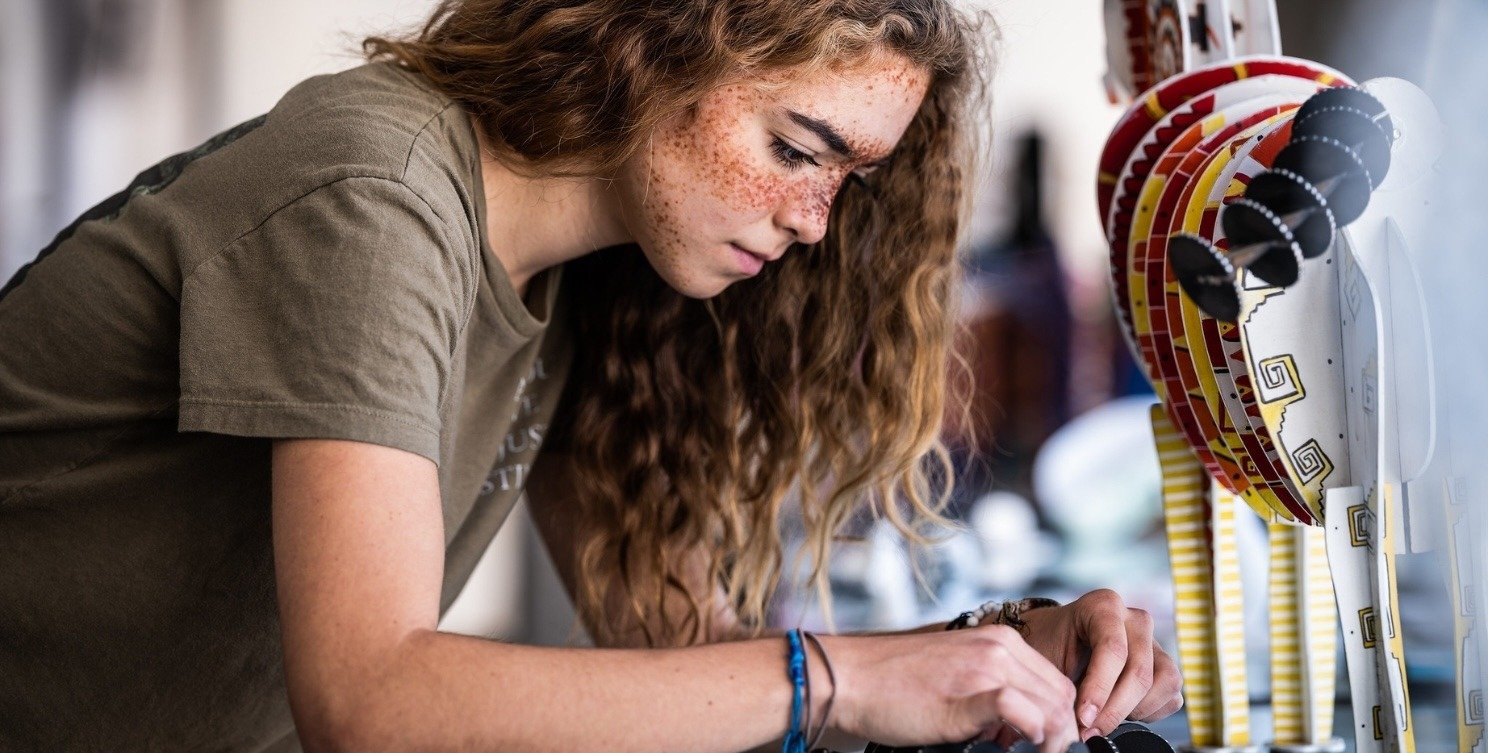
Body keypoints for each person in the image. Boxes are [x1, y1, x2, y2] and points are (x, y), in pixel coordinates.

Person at [0, 0, 1182, 751]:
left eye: (847, 181)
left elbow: (674, 644)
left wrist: (992, 661)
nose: (818, 225)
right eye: (793, 149)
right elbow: (375, 704)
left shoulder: (583, 281)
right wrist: (848, 679)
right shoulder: (376, 194)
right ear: (656, 41)